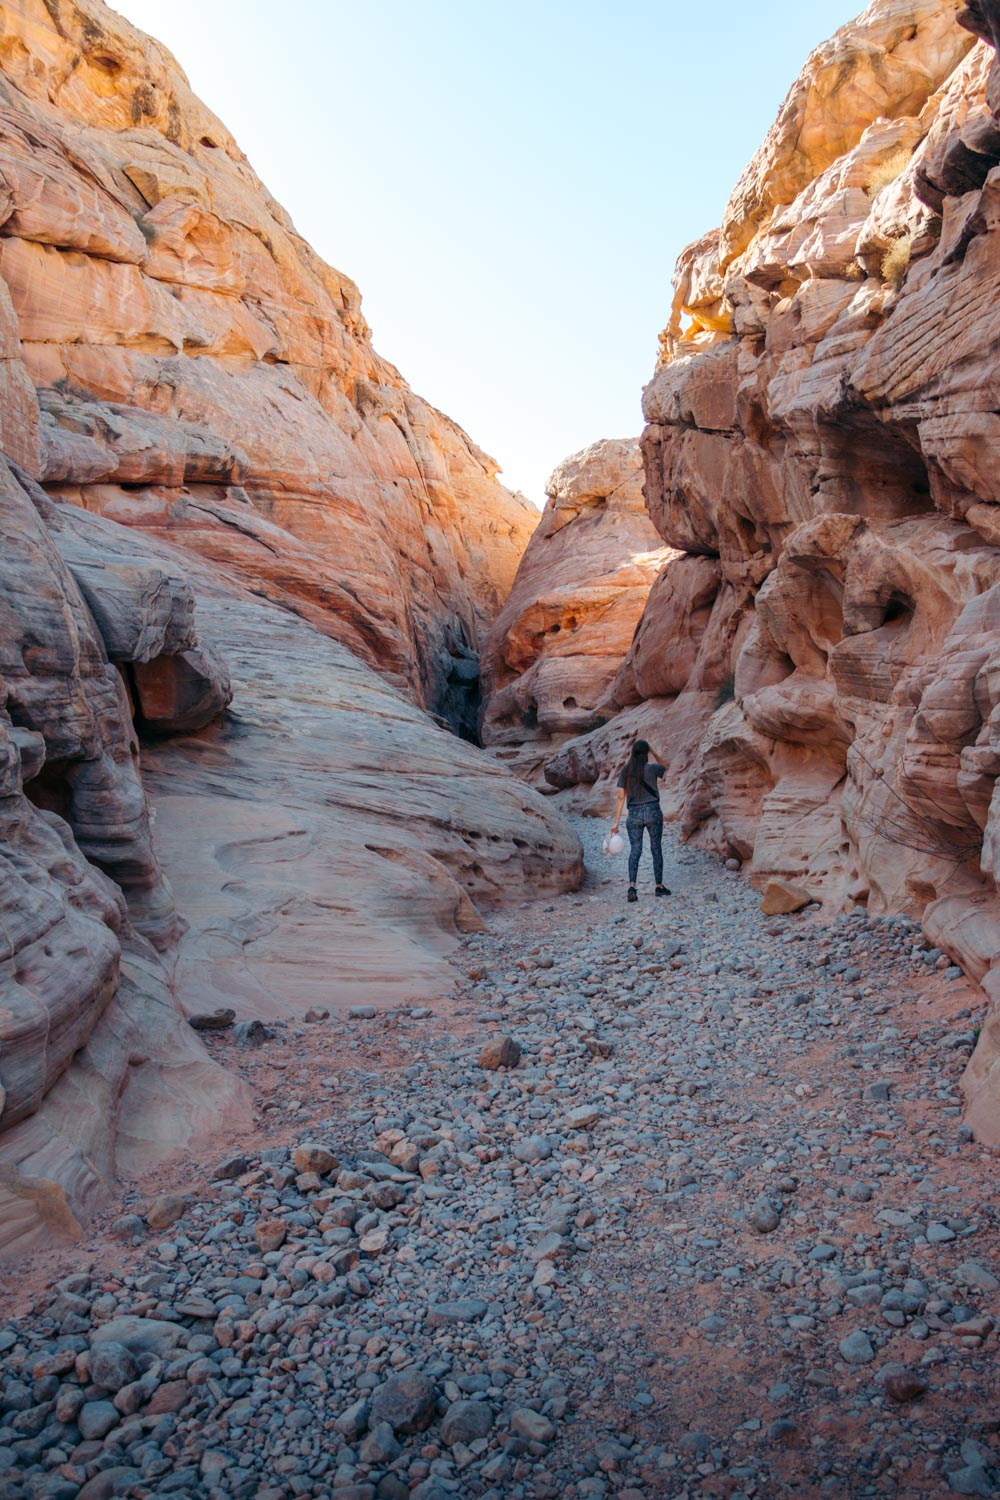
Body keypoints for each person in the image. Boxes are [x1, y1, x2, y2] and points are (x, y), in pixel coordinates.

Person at [611, 738, 670, 903]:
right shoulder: (652, 769)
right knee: (656, 848)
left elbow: (621, 796)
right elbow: (665, 766)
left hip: (634, 814)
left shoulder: (626, 771)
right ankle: (659, 886)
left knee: (635, 850)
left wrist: (615, 823)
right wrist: (653, 751)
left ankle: (632, 887)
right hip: (653, 811)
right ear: (645, 754)